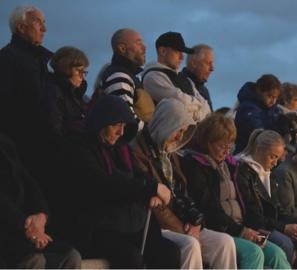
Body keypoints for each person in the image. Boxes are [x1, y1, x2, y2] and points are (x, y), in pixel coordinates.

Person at [56, 95, 180, 268]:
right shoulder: (79, 147)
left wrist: (152, 191)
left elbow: (140, 176)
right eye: (116, 124)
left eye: (123, 126)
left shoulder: (120, 149)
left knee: (169, 252)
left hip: (127, 223)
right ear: (102, 122)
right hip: (96, 228)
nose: (121, 132)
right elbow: (103, 186)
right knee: (131, 258)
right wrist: (150, 188)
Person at [130, 98, 237, 269]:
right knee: (190, 245)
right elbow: (156, 205)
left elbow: (183, 192)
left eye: (184, 131)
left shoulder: (170, 153)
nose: (180, 137)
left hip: (181, 222)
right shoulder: (137, 151)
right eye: (178, 130)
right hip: (157, 226)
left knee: (224, 242)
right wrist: (183, 229)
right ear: (166, 124)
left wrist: (196, 221)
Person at [181, 114, 291, 269]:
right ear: (207, 142)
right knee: (253, 253)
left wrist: (253, 229)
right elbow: (209, 207)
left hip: (242, 228)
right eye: (221, 145)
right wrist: (241, 231)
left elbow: (248, 202)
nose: (226, 151)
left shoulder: (231, 166)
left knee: (277, 253)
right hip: (221, 230)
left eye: (229, 145)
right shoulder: (196, 165)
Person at [236, 129, 297, 268]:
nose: (275, 163)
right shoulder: (244, 172)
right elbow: (254, 216)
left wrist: (293, 226)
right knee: (285, 243)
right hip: (258, 227)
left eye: (277, 158)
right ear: (258, 149)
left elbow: (278, 208)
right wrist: (284, 228)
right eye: (272, 157)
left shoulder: (268, 173)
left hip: (273, 224)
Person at [0, 133, 81, 269]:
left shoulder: (5, 143)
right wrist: (27, 227)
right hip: (9, 231)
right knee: (34, 260)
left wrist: (41, 215)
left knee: (71, 256)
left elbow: (29, 183)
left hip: (23, 231)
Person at [0, 5, 53, 185]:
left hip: (44, 150)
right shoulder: (7, 59)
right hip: (22, 153)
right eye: (38, 22)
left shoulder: (40, 61)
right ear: (21, 27)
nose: (44, 29)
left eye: (44, 23)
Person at [143, 31, 210, 122]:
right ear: (163, 51)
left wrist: (194, 112)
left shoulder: (186, 80)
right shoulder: (152, 77)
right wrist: (199, 112)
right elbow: (180, 104)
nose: (182, 57)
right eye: (177, 51)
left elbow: (207, 108)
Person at [94, 28, 150, 130]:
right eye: (138, 43)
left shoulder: (130, 76)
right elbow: (126, 120)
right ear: (122, 48)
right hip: (133, 144)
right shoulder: (119, 75)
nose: (144, 47)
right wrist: (153, 134)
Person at [46, 46, 89, 138]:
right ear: (65, 68)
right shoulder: (53, 92)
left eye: (84, 72)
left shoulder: (77, 95)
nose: (83, 77)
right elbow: (56, 131)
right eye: (79, 71)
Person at [234, 74, 282, 154]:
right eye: (270, 96)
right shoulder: (247, 107)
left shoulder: (274, 110)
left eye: (275, 97)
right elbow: (256, 129)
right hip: (246, 152)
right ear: (259, 90)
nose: (273, 101)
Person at [180, 44, 215, 110]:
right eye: (208, 63)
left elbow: (210, 119)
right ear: (193, 63)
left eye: (212, 64)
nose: (212, 68)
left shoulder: (204, 90)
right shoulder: (178, 85)